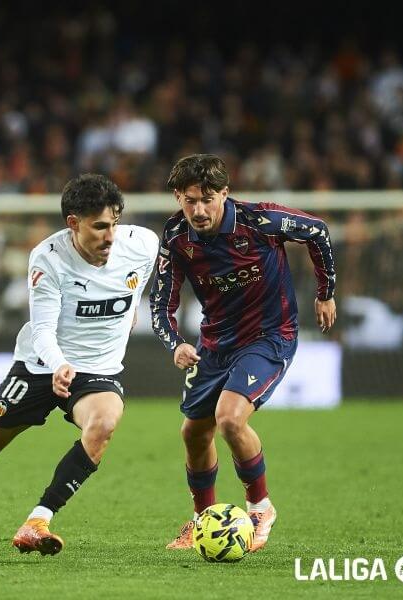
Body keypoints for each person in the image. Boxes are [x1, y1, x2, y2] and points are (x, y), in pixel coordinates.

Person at [0, 174, 158, 555]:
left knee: (104, 423)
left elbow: (143, 278)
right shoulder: (48, 258)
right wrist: (59, 365)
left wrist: (132, 306)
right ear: (73, 224)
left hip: (98, 369)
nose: (110, 236)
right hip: (41, 365)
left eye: (115, 224)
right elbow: (42, 331)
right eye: (100, 227)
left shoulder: (142, 244)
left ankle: (38, 520)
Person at [149, 154, 337, 552]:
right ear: (178, 197)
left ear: (225, 193)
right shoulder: (176, 236)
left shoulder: (260, 221)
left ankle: (260, 508)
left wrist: (325, 293)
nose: (199, 210)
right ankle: (202, 519)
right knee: (193, 433)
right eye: (189, 201)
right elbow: (161, 303)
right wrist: (176, 343)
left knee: (230, 419)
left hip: (269, 336)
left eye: (207, 199)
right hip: (215, 343)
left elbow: (317, 231)